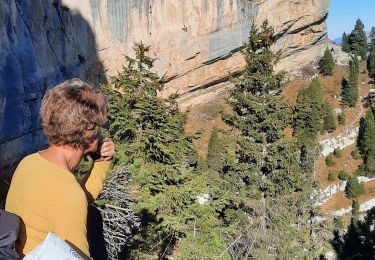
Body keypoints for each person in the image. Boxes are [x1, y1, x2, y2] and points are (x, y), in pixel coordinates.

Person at [5, 79, 115, 258]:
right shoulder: (67, 193)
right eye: (98, 127)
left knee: (92, 216)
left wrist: (101, 161)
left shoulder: (29, 162)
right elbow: (78, 256)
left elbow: (75, 202)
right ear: (90, 133)